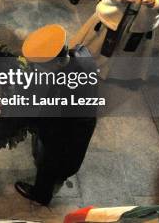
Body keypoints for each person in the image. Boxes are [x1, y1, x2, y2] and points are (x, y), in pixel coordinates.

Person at [14, 24, 97, 206]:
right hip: (74, 123)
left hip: (67, 131)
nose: (38, 70)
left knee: (51, 160)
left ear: (59, 62)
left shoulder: (70, 90)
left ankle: (41, 194)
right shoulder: (79, 53)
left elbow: (52, 124)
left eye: (43, 67)